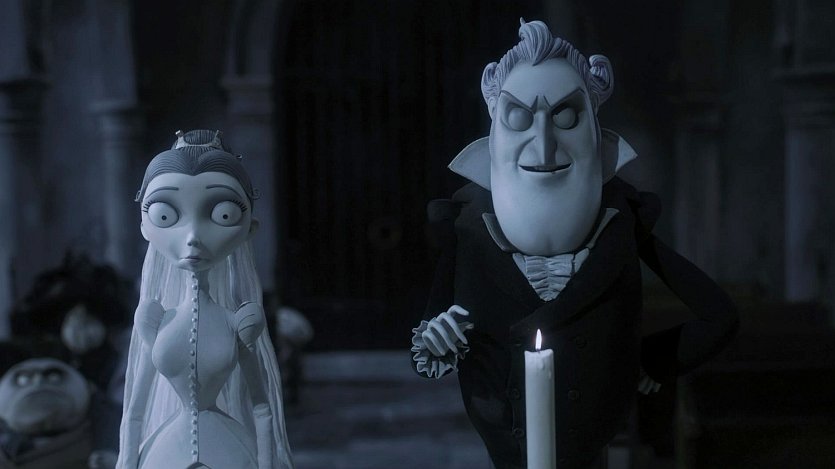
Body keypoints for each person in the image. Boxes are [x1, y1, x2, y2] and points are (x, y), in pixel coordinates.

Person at [410, 20, 739, 469]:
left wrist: (642, 362)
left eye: (565, 117)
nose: (544, 147)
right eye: (519, 117)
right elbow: (431, 342)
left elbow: (718, 316)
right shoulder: (466, 232)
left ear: (596, 133)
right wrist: (437, 338)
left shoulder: (623, 228)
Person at [116, 130, 293, 469]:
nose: (193, 237)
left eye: (224, 214)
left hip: (230, 451)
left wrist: (267, 462)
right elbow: (135, 409)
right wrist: (126, 460)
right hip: (165, 452)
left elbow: (262, 407)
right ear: (145, 226)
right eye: (165, 215)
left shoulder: (238, 323)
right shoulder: (155, 319)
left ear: (250, 228)